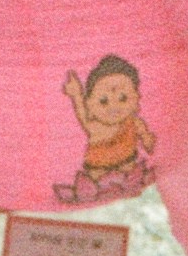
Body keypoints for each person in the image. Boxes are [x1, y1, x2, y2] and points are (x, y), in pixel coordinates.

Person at [57, 54, 155, 203]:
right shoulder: (96, 127)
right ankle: (90, 190)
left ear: (136, 98)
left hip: (127, 162)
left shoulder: (133, 122)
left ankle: (129, 182)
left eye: (123, 98)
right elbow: (83, 118)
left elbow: (145, 135)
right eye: (103, 101)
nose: (114, 107)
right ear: (89, 104)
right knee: (96, 181)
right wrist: (77, 95)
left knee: (131, 172)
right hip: (98, 168)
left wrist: (148, 141)